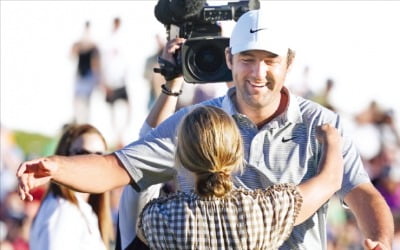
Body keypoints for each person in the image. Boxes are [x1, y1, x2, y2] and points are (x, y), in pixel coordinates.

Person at [17, 9, 394, 250]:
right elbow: (118, 166)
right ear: (229, 59)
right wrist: (58, 167)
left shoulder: (318, 122)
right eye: (248, 59)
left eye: (269, 61)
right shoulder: (196, 123)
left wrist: (379, 239)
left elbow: (361, 192)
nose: (258, 73)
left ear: (288, 63)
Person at [137, 105, 343, 249]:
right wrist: (331, 139)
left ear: (181, 157)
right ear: (237, 152)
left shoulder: (157, 217)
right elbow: (330, 180)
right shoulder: (262, 211)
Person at [29, 124, 114, 250]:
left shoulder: (79, 208)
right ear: (64, 157)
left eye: (100, 156)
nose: (91, 162)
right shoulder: (64, 209)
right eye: (82, 153)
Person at [99, 17, 131, 144]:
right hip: (111, 81)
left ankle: (120, 135)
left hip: (120, 80)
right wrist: (104, 82)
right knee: (112, 110)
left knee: (126, 108)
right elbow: (103, 62)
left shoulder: (121, 39)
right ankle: (117, 135)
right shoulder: (108, 41)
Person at [70, 21, 100, 124]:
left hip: (88, 76)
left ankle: (84, 122)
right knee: (78, 100)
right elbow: (72, 54)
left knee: (86, 101)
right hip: (81, 75)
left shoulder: (93, 45)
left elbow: (95, 62)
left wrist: (96, 78)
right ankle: (78, 120)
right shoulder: (81, 43)